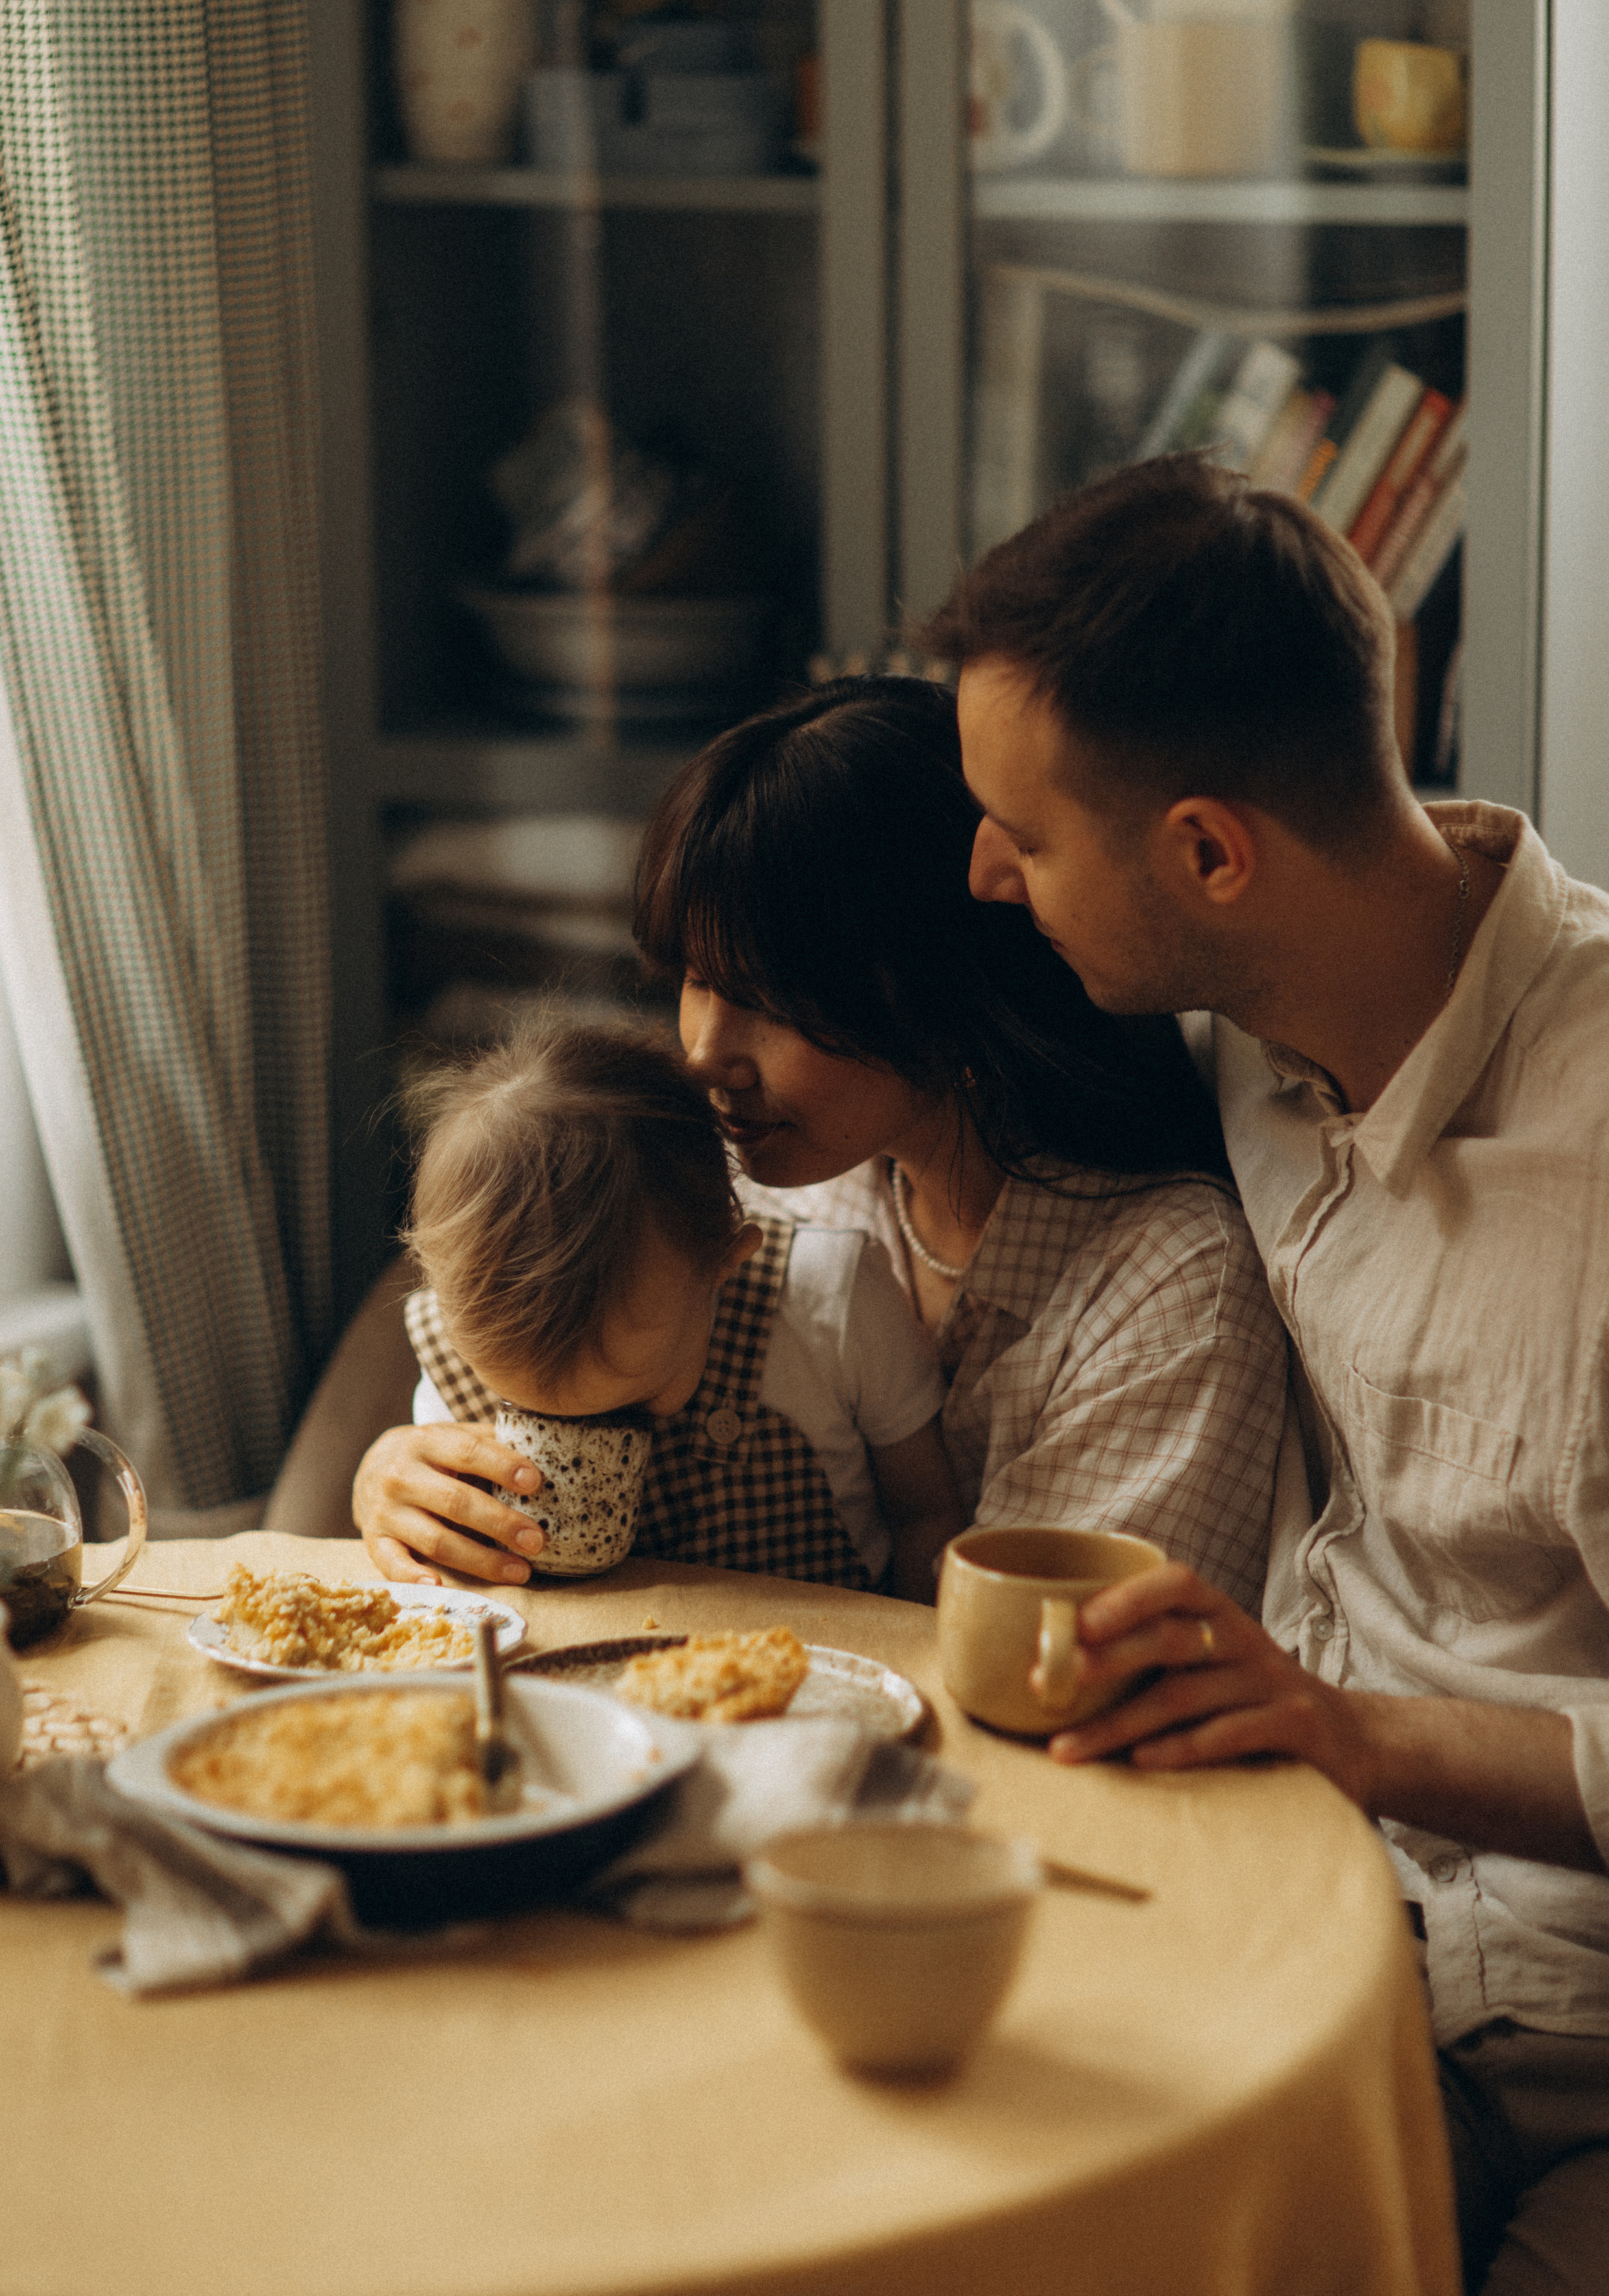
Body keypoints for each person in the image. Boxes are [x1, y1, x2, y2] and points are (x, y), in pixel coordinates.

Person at [929, 448, 1609, 2295]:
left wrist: (1352, 1734)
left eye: (1027, 832)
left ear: (1211, 852)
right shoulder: (1240, 1026)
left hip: (1565, 2055)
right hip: (1292, 1920)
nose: (987, 875)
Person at [337, 677, 1287, 1608]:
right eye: (697, 981)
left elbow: (1041, 1672)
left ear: (940, 993)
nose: (705, 1056)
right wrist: (400, 1478)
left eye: (769, 1003)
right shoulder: (772, 1192)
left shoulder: (1168, 1293)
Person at [370, 1015, 962, 1602]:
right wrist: (392, 1496)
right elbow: (441, 1550)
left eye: (636, 1402)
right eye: (527, 1410)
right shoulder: (453, 1349)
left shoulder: (836, 1300)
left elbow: (926, 1517)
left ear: (722, 1265)